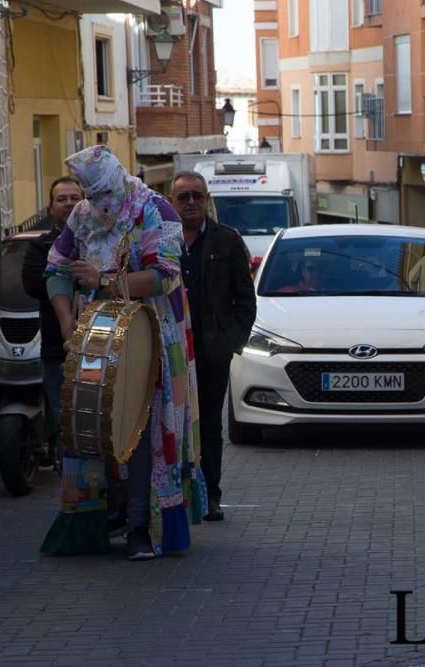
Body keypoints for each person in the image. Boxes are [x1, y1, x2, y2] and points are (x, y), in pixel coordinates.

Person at [39, 145, 206, 561]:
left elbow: (165, 276)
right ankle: (98, 518)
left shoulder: (156, 210)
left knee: (142, 428)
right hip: (92, 337)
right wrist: (64, 320)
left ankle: (142, 527)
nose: (100, 206)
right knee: (91, 426)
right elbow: (56, 266)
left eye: (103, 196)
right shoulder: (81, 216)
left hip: (151, 337)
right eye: (91, 197)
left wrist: (105, 279)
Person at [172, 171, 256, 522]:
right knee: (172, 424)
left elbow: (245, 301)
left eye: (196, 196)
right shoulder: (159, 241)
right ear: (172, 201)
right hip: (171, 351)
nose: (190, 202)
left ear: (207, 199)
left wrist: (229, 344)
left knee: (208, 425)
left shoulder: (226, 241)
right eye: (183, 197)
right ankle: (175, 496)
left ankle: (211, 496)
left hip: (210, 352)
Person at [21, 176, 84, 469]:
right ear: (51, 207)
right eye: (62, 199)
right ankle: (72, 490)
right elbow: (34, 283)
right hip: (57, 349)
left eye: (75, 198)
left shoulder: (98, 241)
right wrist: (74, 274)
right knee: (65, 421)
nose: (69, 203)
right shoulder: (40, 246)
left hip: (103, 346)